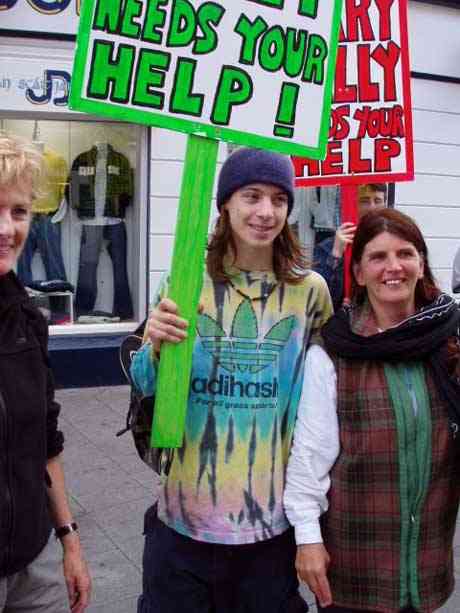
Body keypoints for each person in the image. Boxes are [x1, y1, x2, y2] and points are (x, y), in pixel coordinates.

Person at [130, 147, 333, 613]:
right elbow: (145, 385)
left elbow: (322, 397)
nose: (265, 212)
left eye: (279, 199)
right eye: (251, 196)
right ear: (225, 203)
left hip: (268, 529)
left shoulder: (309, 292)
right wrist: (154, 344)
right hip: (182, 524)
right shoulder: (184, 279)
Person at [284, 208, 460, 613]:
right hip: (355, 569)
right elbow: (308, 459)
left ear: (421, 263)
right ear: (359, 272)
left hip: (427, 567)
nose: (393, 267)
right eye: (378, 257)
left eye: (405, 253)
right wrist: (307, 539)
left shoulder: (449, 342)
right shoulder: (333, 354)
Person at [0, 134, 91, 612]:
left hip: (32, 563)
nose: (7, 228)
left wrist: (69, 543)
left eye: (18, 212)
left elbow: (45, 442)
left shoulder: (29, 320)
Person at [314, 183, 387, 310]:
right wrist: (335, 254)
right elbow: (318, 299)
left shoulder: (394, 242)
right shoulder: (329, 246)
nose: (372, 208)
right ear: (352, 204)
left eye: (377, 200)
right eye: (364, 201)